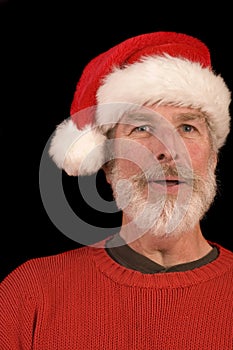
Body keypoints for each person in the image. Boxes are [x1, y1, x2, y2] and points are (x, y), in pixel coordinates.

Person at [1, 31, 233, 349]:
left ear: (212, 158)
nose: (168, 150)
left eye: (187, 127)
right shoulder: (30, 293)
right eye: (141, 128)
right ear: (109, 166)